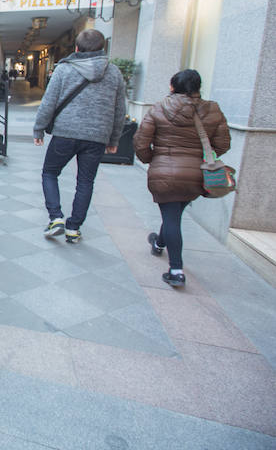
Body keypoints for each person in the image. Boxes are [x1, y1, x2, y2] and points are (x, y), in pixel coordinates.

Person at [133, 69, 230, 287]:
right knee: (173, 213)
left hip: (164, 173)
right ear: (198, 87)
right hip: (196, 174)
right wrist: (202, 156)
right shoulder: (213, 110)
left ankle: (176, 270)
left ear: (172, 86)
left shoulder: (159, 108)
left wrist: (151, 159)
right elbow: (223, 144)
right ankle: (159, 243)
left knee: (171, 217)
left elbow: (140, 142)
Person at [33, 29, 126, 243]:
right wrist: (114, 139)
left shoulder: (64, 70)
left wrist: (39, 128)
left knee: (49, 173)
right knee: (85, 181)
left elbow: (49, 101)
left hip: (65, 132)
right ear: (103, 49)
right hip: (97, 136)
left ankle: (56, 217)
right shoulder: (114, 73)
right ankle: (73, 228)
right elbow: (120, 110)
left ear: (76, 48)